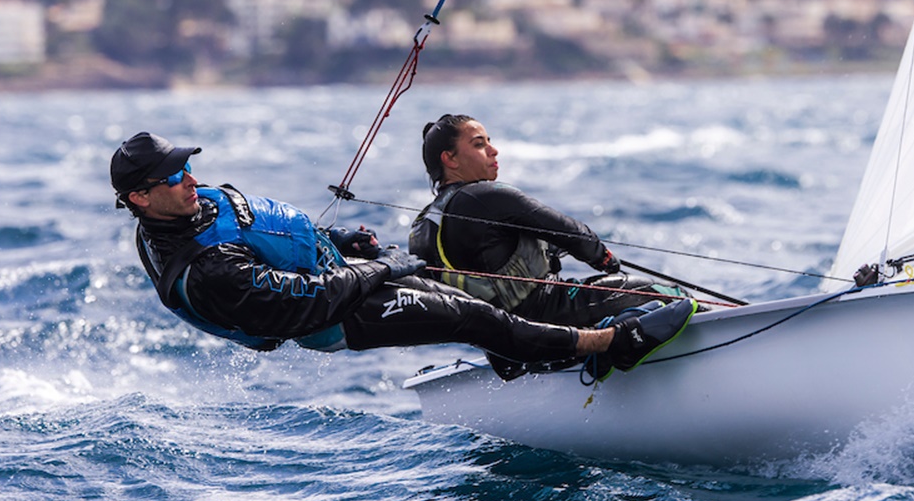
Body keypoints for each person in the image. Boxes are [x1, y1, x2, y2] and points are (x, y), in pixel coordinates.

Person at [111, 131, 696, 383]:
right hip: (335, 317)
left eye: (188, 166)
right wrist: (382, 267)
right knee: (468, 315)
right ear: (140, 198)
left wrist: (343, 242)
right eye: (174, 176)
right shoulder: (204, 273)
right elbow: (311, 301)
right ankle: (610, 344)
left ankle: (519, 354)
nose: (191, 179)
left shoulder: (191, 207)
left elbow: (267, 236)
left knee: (470, 310)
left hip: (343, 276)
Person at [410, 114, 689, 332]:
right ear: (450, 159)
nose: (494, 150)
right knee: (668, 295)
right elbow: (573, 233)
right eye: (479, 144)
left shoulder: (422, 226)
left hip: (504, 340)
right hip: (548, 313)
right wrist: (603, 258)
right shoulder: (485, 196)